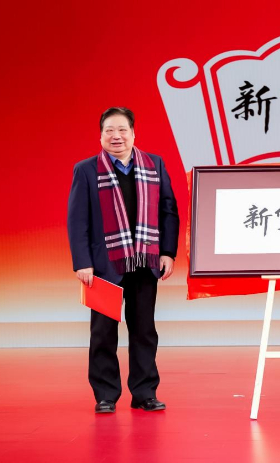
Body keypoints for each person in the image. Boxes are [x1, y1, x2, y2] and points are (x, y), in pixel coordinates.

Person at [68, 107, 179, 413]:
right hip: (104, 266)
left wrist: (168, 252)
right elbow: (77, 220)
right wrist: (82, 261)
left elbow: (168, 211)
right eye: (109, 130)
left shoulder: (154, 164)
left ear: (133, 133)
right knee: (103, 333)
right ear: (101, 135)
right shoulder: (86, 170)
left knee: (144, 331)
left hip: (145, 262)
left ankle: (144, 393)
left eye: (122, 130)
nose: (116, 136)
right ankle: (105, 395)